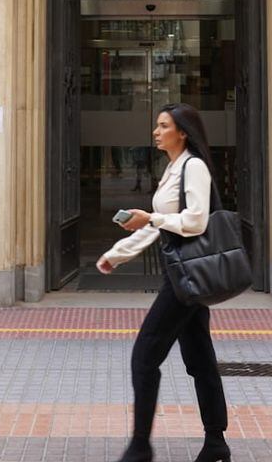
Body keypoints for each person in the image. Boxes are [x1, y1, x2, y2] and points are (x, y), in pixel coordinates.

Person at [96, 103, 231, 462]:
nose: (156, 132)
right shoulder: (173, 168)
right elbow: (157, 224)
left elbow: (196, 221)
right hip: (184, 274)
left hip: (187, 278)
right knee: (200, 358)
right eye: (157, 126)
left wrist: (150, 217)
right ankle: (216, 442)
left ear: (182, 131)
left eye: (163, 126)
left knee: (144, 357)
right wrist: (118, 254)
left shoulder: (193, 166)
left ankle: (140, 447)